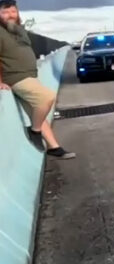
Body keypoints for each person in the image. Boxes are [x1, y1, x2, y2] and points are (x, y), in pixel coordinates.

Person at [0, 0, 74, 158]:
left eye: (13, 11)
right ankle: (34, 131)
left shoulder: (18, 30)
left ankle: (53, 147)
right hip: (16, 77)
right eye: (5, 12)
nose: (10, 15)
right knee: (47, 98)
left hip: (29, 75)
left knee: (37, 113)